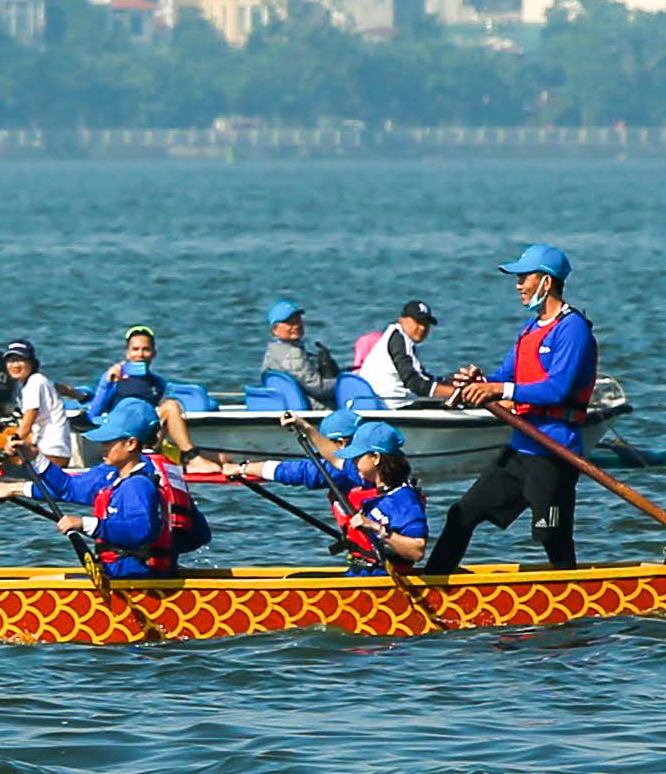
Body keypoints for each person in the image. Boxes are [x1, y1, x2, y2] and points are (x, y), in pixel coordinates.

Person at [423, 244, 598, 572]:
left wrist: (499, 388)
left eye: (523, 277)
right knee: (462, 514)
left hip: (554, 450)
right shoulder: (529, 331)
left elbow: (557, 389)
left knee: (552, 536)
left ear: (546, 282)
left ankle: (573, 597)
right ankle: (432, 583)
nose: (518, 285)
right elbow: (504, 377)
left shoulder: (572, 329)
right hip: (520, 449)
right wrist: (479, 381)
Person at [0, 399, 210, 578]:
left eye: (109, 441)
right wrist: (34, 456)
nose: (102, 447)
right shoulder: (159, 472)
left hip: (135, 580)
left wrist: (85, 523)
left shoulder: (136, 483)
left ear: (132, 444)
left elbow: (140, 529)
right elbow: (199, 535)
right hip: (139, 573)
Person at [226, 421, 427, 574]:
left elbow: (417, 551)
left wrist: (377, 529)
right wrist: (305, 427)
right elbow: (334, 458)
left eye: (357, 457)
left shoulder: (404, 500)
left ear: (375, 458)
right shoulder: (366, 479)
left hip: (382, 578)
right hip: (360, 572)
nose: (352, 462)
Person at [84, 325, 210, 464]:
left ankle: (174, 456)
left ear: (154, 353)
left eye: (146, 349)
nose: (140, 354)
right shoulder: (114, 377)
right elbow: (93, 414)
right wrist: (107, 383)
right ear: (127, 353)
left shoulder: (158, 383)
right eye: (135, 349)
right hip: (122, 439)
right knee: (170, 406)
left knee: (221, 457)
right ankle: (191, 457)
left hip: (147, 439)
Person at [353, 300, 482, 408]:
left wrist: (450, 381)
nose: (422, 328)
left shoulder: (397, 337)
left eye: (426, 324)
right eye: (418, 322)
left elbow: (420, 376)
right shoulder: (399, 340)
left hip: (387, 402)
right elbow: (414, 383)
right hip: (392, 405)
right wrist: (458, 393)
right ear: (402, 320)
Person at [3, 339, 71, 468]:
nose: (15, 365)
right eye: (11, 360)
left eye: (20, 360)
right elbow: (59, 387)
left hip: (51, 455)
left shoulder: (34, 383)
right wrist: (81, 396)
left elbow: (27, 423)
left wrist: (6, 448)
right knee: (7, 431)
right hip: (59, 452)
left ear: (32, 363)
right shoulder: (38, 380)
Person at [260, 301, 343, 401]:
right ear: (275, 329)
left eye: (298, 320)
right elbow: (319, 389)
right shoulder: (292, 353)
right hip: (315, 410)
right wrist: (345, 381)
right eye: (289, 322)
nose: (296, 326)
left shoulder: (272, 351)